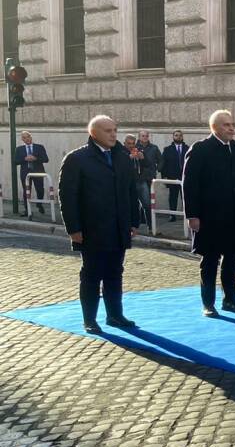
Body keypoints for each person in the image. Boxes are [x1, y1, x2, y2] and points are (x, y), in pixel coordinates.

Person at [57, 115, 140, 333]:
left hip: (119, 227)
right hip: (92, 228)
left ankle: (115, 315)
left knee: (115, 272)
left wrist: (133, 221)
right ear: (94, 133)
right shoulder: (77, 159)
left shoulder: (122, 157)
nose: (113, 134)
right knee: (92, 274)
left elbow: (130, 190)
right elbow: (68, 196)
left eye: (115, 130)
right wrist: (73, 228)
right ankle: (90, 319)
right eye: (108, 131)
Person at [182, 110, 235, 317]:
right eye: (226, 125)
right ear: (215, 128)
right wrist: (192, 215)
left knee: (231, 259)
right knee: (209, 261)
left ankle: (230, 299)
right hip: (209, 216)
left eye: (232, 124)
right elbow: (189, 184)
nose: (231, 128)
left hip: (233, 216)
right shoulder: (200, 149)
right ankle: (208, 303)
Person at [15, 130, 49, 215]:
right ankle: (27, 210)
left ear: (31, 137)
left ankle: (39, 204)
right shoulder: (19, 149)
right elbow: (15, 161)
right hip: (25, 173)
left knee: (40, 190)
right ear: (22, 140)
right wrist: (24, 159)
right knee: (26, 191)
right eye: (24, 138)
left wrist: (35, 158)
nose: (27, 139)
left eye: (28, 137)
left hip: (38, 172)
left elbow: (46, 159)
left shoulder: (39, 147)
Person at [135, 129, 162, 228]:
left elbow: (161, 160)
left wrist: (157, 168)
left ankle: (148, 223)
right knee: (143, 201)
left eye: (146, 136)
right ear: (139, 137)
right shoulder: (135, 148)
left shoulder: (154, 148)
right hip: (139, 178)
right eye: (143, 136)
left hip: (150, 177)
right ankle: (144, 223)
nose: (145, 137)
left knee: (148, 201)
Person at [161, 130, 188, 212]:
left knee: (185, 197)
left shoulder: (188, 148)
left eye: (180, 135)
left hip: (185, 177)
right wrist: (164, 177)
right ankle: (172, 215)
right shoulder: (167, 149)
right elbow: (163, 164)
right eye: (176, 135)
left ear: (182, 137)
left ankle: (186, 214)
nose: (178, 137)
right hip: (172, 177)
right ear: (173, 137)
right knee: (173, 197)